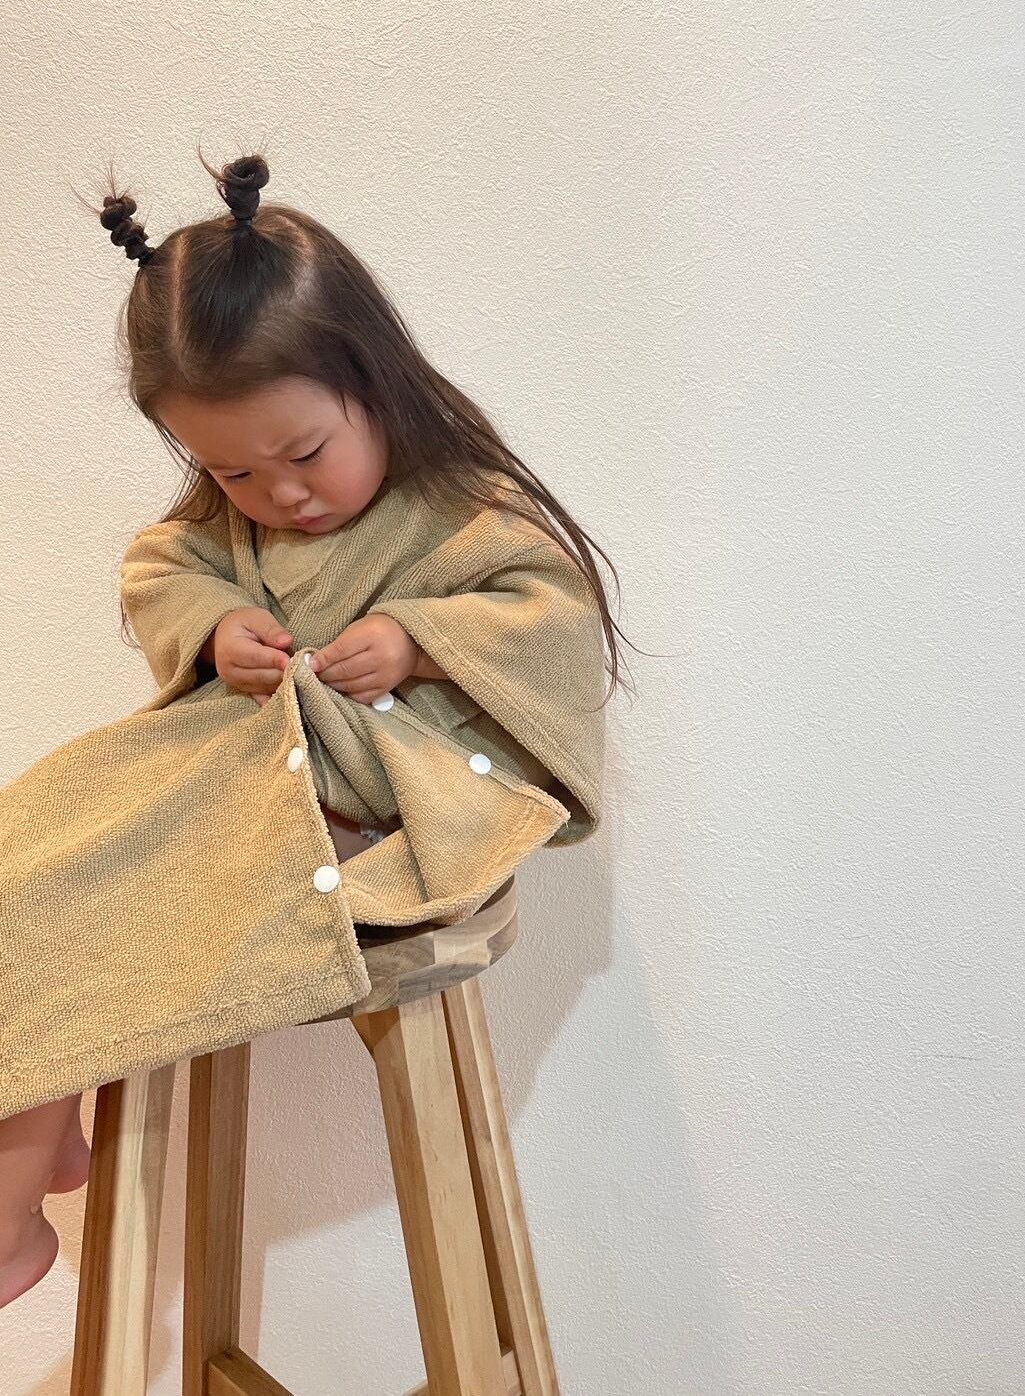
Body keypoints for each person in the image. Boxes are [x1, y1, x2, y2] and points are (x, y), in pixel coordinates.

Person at [0, 149, 637, 1308]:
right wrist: (216, 624)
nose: (280, 497)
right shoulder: (229, 524)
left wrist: (418, 638)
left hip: (375, 803)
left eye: (303, 454)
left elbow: (546, 610)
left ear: (374, 384)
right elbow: (162, 563)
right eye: (233, 473)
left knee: (90, 886)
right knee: (30, 846)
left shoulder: (463, 510)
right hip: (246, 767)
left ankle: (10, 1209)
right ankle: (41, 1127)